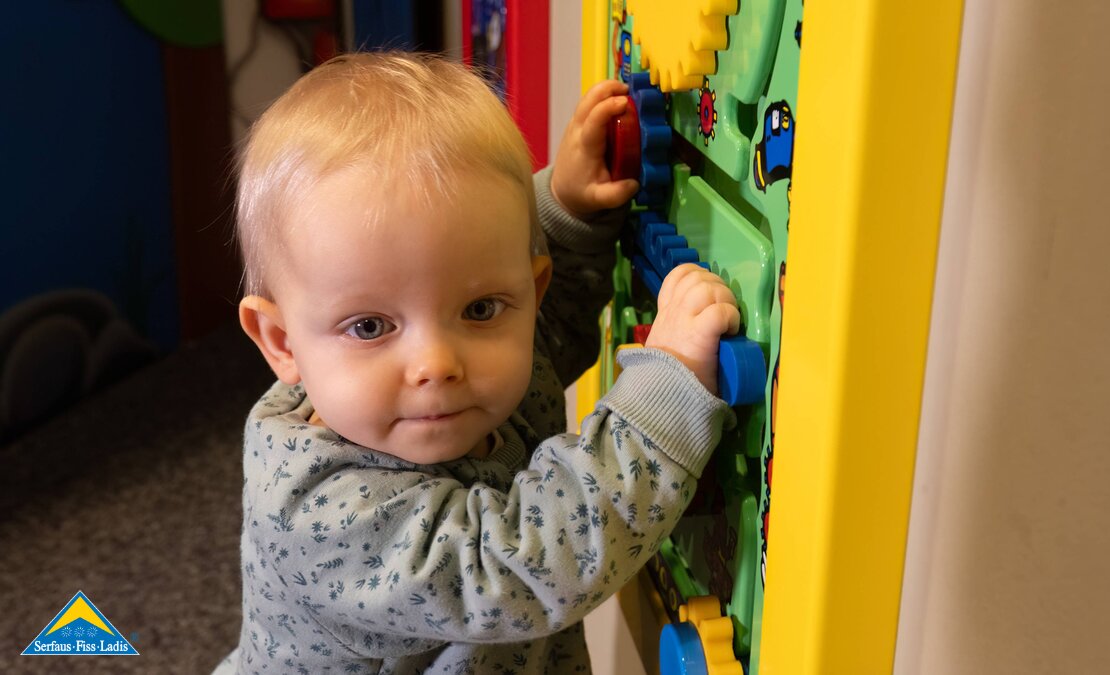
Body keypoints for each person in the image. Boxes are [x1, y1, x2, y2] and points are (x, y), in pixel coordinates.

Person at [215, 51, 740, 674]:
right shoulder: (323, 515)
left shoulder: (457, 383)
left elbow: (543, 326)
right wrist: (664, 398)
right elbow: (523, 562)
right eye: (369, 326)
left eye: (480, 308)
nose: (436, 363)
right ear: (281, 343)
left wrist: (567, 212)